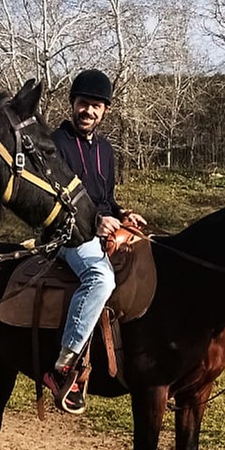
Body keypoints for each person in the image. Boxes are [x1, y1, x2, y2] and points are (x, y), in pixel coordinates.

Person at [44, 69, 147, 415]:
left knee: (152, 256)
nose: (88, 111)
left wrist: (124, 213)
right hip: (66, 232)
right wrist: (95, 221)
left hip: (104, 227)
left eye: (96, 106)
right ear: (72, 104)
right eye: (83, 103)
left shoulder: (105, 149)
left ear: (106, 112)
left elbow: (107, 198)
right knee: (100, 278)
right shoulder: (54, 143)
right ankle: (64, 367)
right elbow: (53, 200)